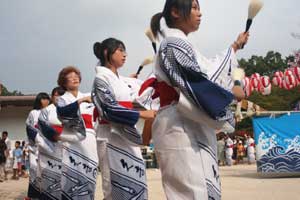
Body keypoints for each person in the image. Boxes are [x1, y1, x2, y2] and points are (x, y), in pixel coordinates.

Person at [149, 0, 249, 199]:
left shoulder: (183, 45)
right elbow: (199, 80)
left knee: (202, 190)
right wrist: (230, 94)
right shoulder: (172, 44)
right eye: (194, 8)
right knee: (192, 192)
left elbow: (209, 69)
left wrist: (235, 46)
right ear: (175, 12)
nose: (200, 13)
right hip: (179, 122)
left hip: (190, 121)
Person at [92, 38, 156, 200]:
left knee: (135, 180)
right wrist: (142, 114)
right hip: (109, 136)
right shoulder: (101, 79)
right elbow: (109, 108)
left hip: (126, 134)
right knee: (113, 185)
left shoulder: (119, 80)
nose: (124, 54)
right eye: (120, 50)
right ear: (107, 53)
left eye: (124, 50)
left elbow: (135, 100)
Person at [56, 66, 98, 199]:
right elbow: (63, 113)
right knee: (73, 176)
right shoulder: (62, 99)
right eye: (70, 76)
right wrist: (80, 101)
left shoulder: (88, 97)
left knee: (90, 174)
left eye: (76, 76)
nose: (74, 78)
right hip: (73, 143)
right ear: (64, 82)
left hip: (90, 142)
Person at [37, 86, 65, 199]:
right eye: (56, 95)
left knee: (64, 180)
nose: (58, 97)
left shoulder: (70, 110)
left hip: (65, 148)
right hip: (50, 148)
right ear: (52, 97)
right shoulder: (46, 111)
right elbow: (42, 130)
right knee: (49, 178)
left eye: (61, 95)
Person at [25, 92, 51, 198]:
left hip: (47, 149)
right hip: (35, 149)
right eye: (43, 99)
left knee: (46, 174)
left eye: (47, 99)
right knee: (34, 173)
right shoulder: (33, 113)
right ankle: (32, 196)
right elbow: (29, 128)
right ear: (39, 100)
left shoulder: (51, 112)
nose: (46, 101)